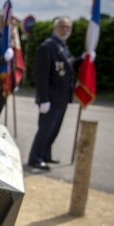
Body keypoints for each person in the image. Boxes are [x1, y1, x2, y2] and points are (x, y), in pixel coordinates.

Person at [28, 16, 84, 170]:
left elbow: (68, 66)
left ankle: (46, 154)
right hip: (50, 98)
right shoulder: (47, 47)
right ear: (54, 29)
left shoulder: (63, 46)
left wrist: (83, 59)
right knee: (45, 129)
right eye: (61, 26)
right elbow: (41, 75)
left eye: (67, 27)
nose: (64, 30)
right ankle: (34, 158)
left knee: (54, 129)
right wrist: (44, 99)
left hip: (62, 97)